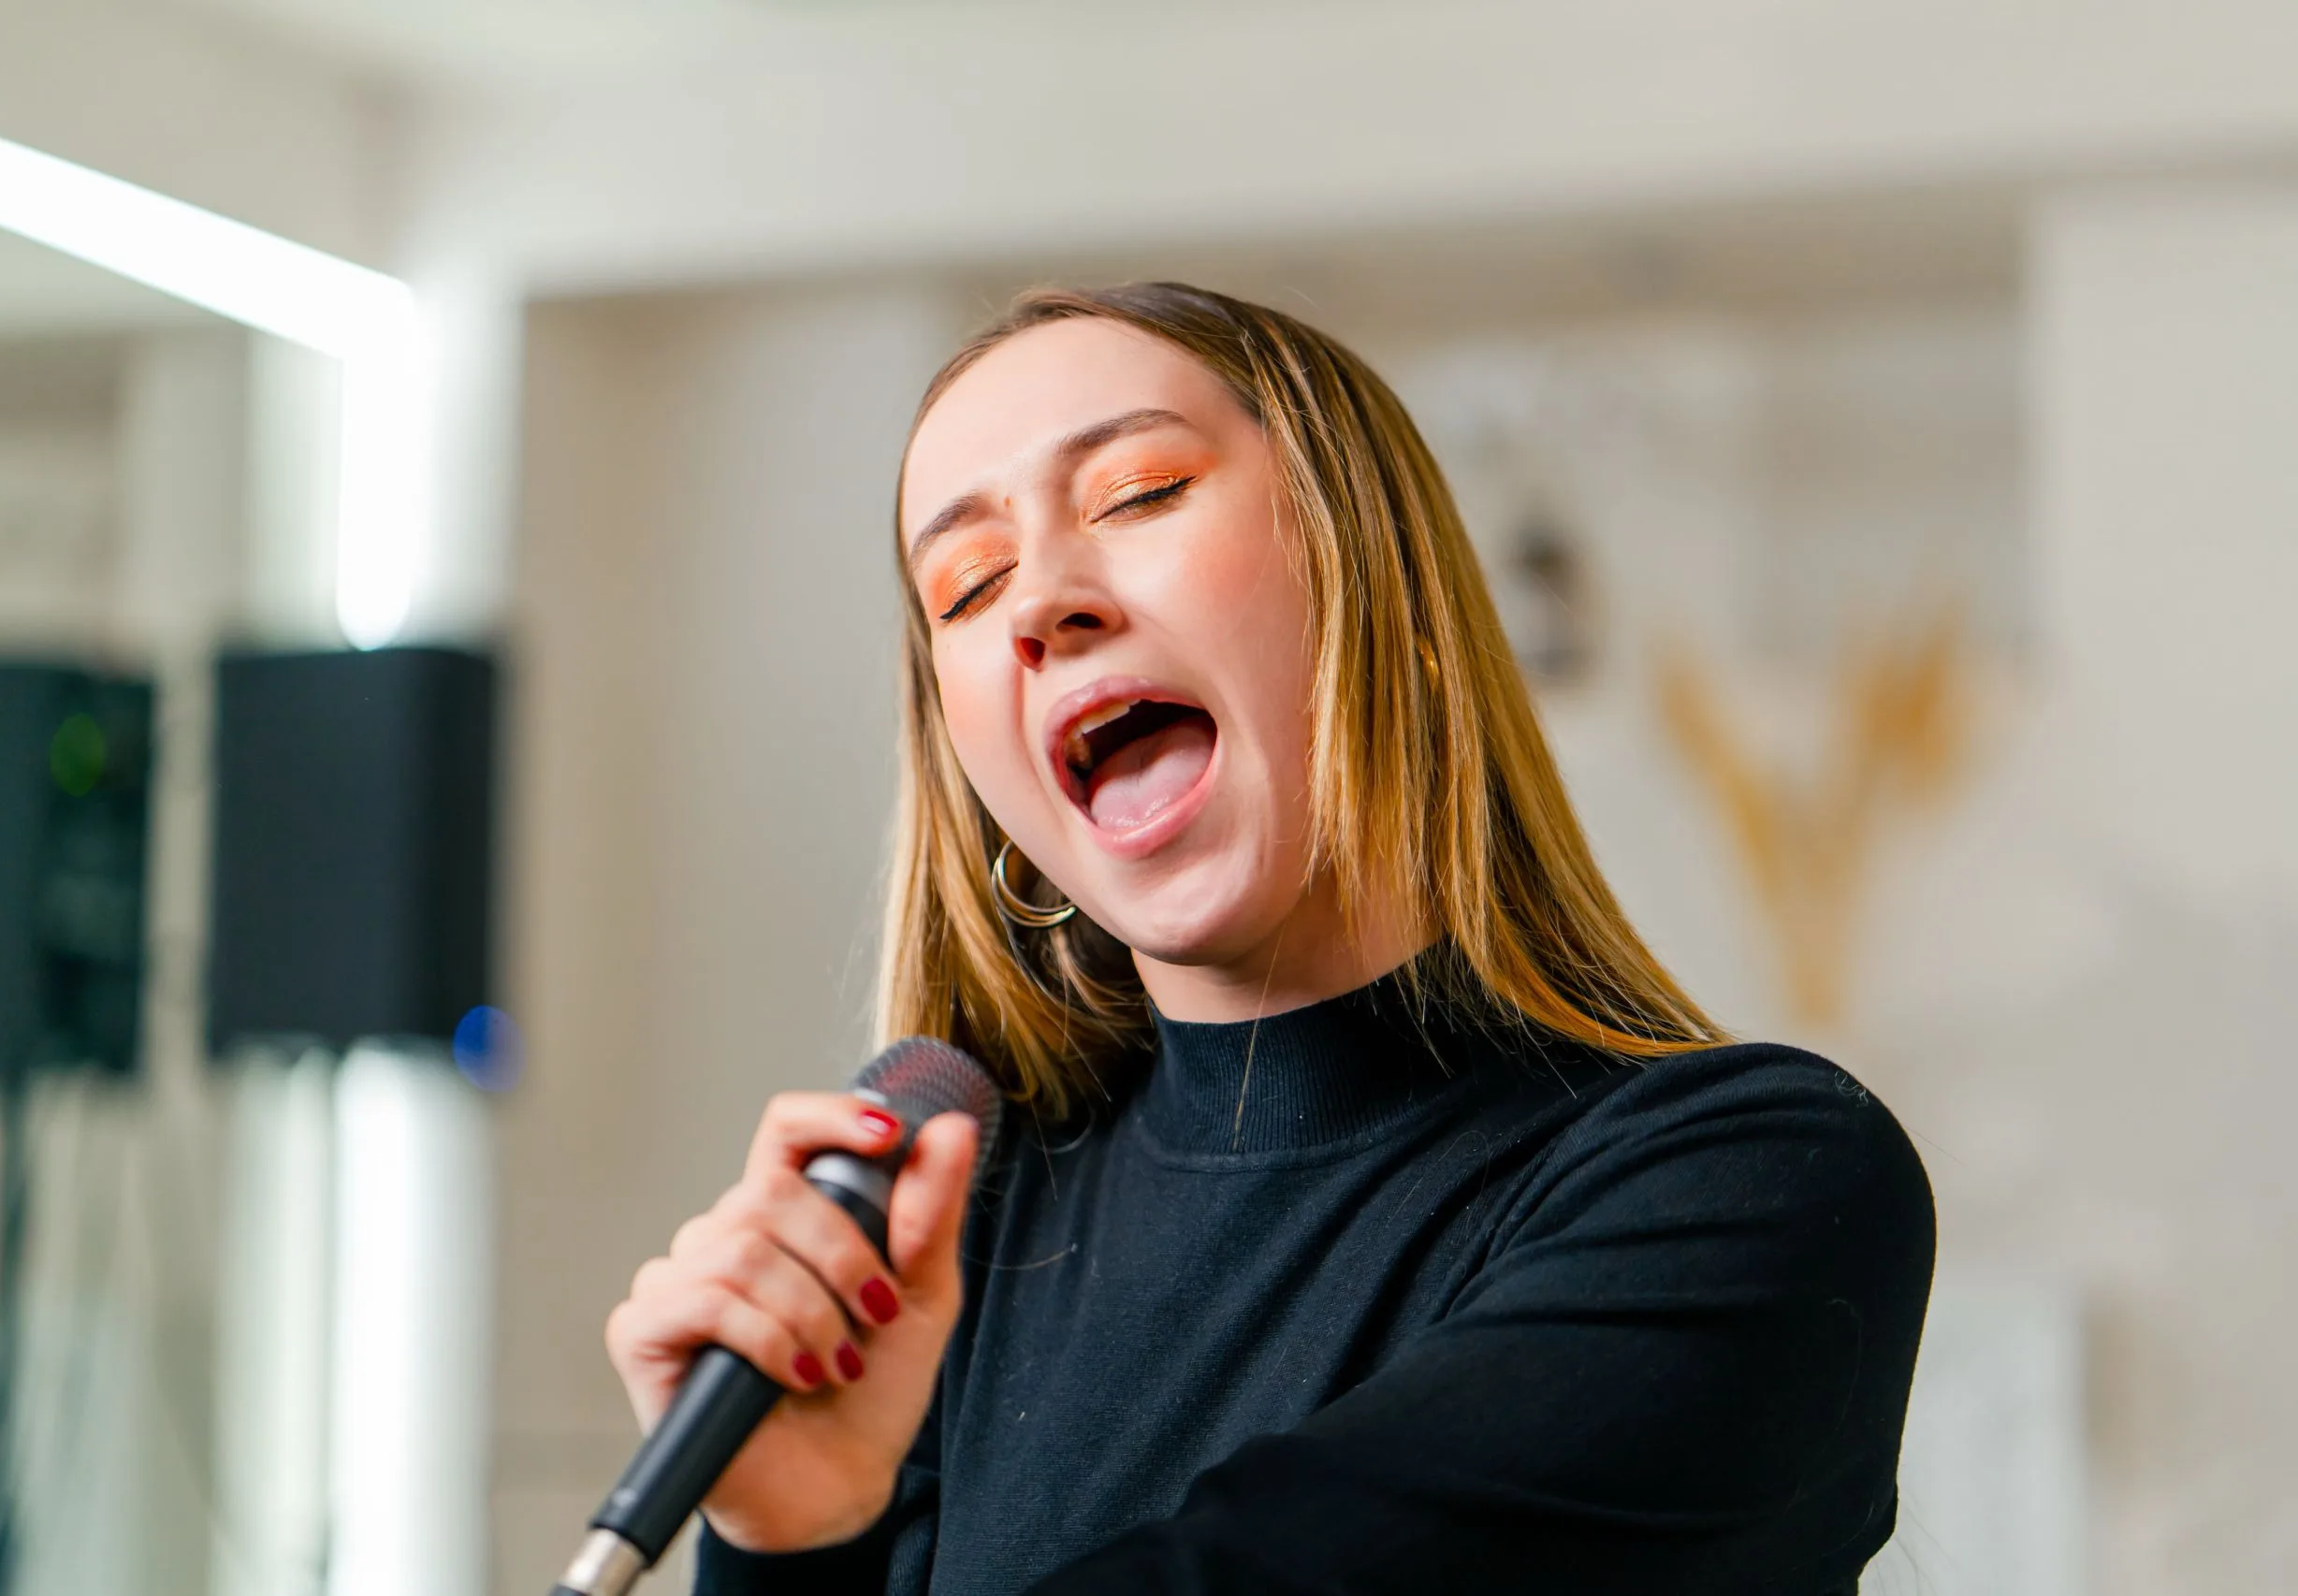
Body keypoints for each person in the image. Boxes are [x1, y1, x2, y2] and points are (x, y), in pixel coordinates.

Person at [604, 283, 1936, 1595]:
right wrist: (791, 1538)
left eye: (1136, 495)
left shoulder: (1759, 1185)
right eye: (967, 582)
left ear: (1394, 603)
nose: (1038, 604)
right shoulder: (951, 1251)